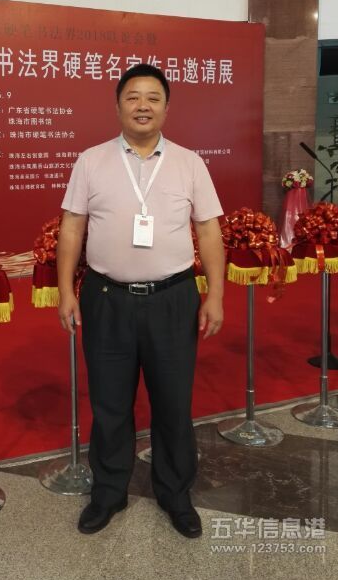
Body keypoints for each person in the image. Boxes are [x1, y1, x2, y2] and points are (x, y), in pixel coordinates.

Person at [57, 63, 225, 538]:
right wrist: (67, 290)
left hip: (173, 298)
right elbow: (72, 227)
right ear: (118, 106)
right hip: (106, 298)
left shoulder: (190, 163)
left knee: (173, 403)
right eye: (133, 97)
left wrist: (215, 294)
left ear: (167, 108)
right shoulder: (91, 161)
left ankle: (175, 493)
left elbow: (208, 230)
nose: (143, 106)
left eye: (153, 98)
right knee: (109, 403)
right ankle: (109, 493)